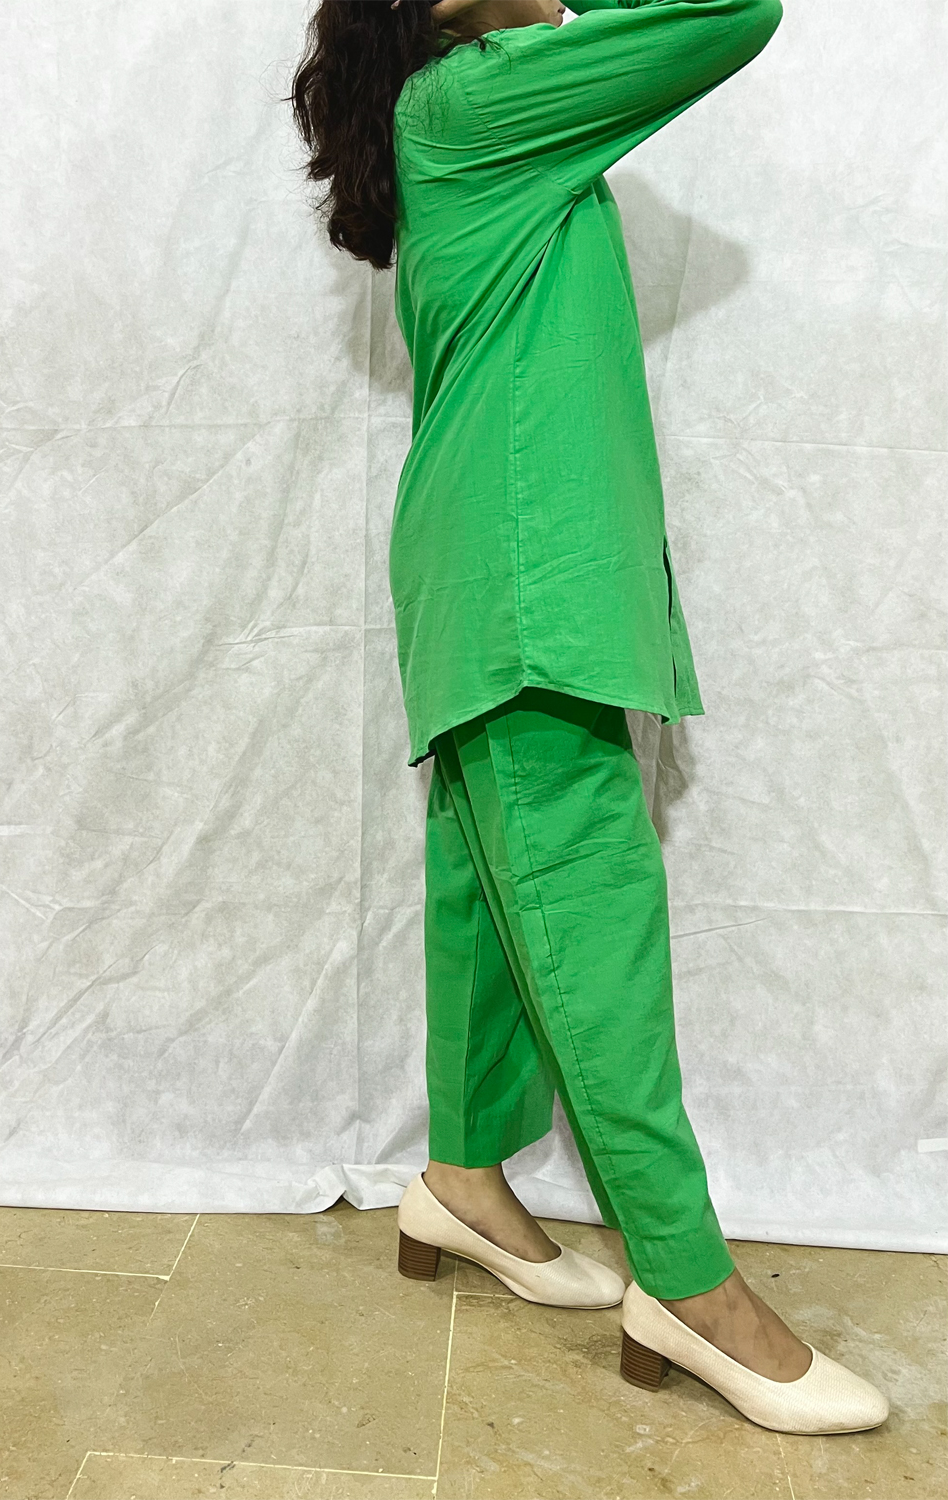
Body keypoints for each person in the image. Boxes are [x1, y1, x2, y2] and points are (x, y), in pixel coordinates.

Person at [291, 0, 888, 1434]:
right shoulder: (480, 96)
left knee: (492, 895)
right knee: (592, 914)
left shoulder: (463, 113)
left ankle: (462, 1181)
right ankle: (687, 1284)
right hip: (523, 575)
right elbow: (733, 10)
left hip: (496, 561)